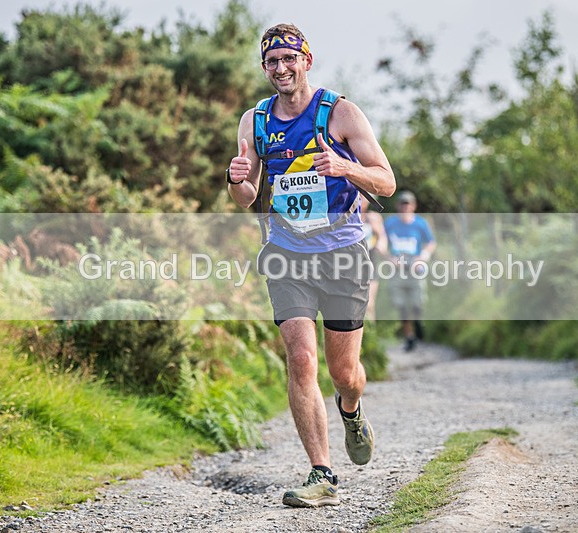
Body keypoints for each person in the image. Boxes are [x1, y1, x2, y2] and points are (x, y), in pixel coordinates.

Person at [226, 23, 396, 508]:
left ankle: (351, 408)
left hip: (343, 254)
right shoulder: (255, 121)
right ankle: (322, 474)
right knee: (301, 359)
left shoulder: (340, 113)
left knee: (344, 372)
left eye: (288, 59)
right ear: (264, 68)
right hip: (286, 254)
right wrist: (236, 179)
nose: (280, 68)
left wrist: (345, 167)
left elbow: (386, 181)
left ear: (306, 60)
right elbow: (247, 197)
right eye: (271, 62)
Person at [383, 191, 436, 351]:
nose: (405, 207)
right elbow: (381, 241)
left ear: (413, 206)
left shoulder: (420, 223)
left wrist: (422, 257)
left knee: (417, 302)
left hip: (414, 267)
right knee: (401, 305)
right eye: (402, 204)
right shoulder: (390, 223)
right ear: (398, 206)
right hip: (398, 268)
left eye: (408, 204)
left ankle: (418, 322)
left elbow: (431, 243)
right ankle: (409, 336)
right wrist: (389, 258)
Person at [361, 194, 388, 321]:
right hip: (350, 261)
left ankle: (371, 330)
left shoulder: (373, 217)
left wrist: (381, 245)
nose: (362, 200)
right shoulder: (347, 215)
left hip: (370, 261)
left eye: (365, 198)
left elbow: (382, 238)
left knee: (369, 303)